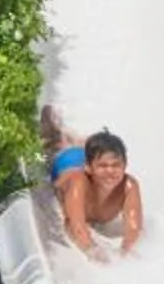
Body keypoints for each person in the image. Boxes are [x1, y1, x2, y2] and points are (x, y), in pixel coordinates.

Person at [43, 107, 141, 260]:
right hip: (66, 162)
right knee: (57, 143)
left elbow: (134, 228)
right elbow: (75, 227)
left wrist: (126, 253)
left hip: (86, 160)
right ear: (88, 167)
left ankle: (86, 143)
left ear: (125, 165)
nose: (110, 172)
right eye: (103, 167)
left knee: (97, 151)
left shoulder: (129, 186)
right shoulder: (78, 184)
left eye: (116, 165)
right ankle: (53, 124)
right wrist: (95, 253)